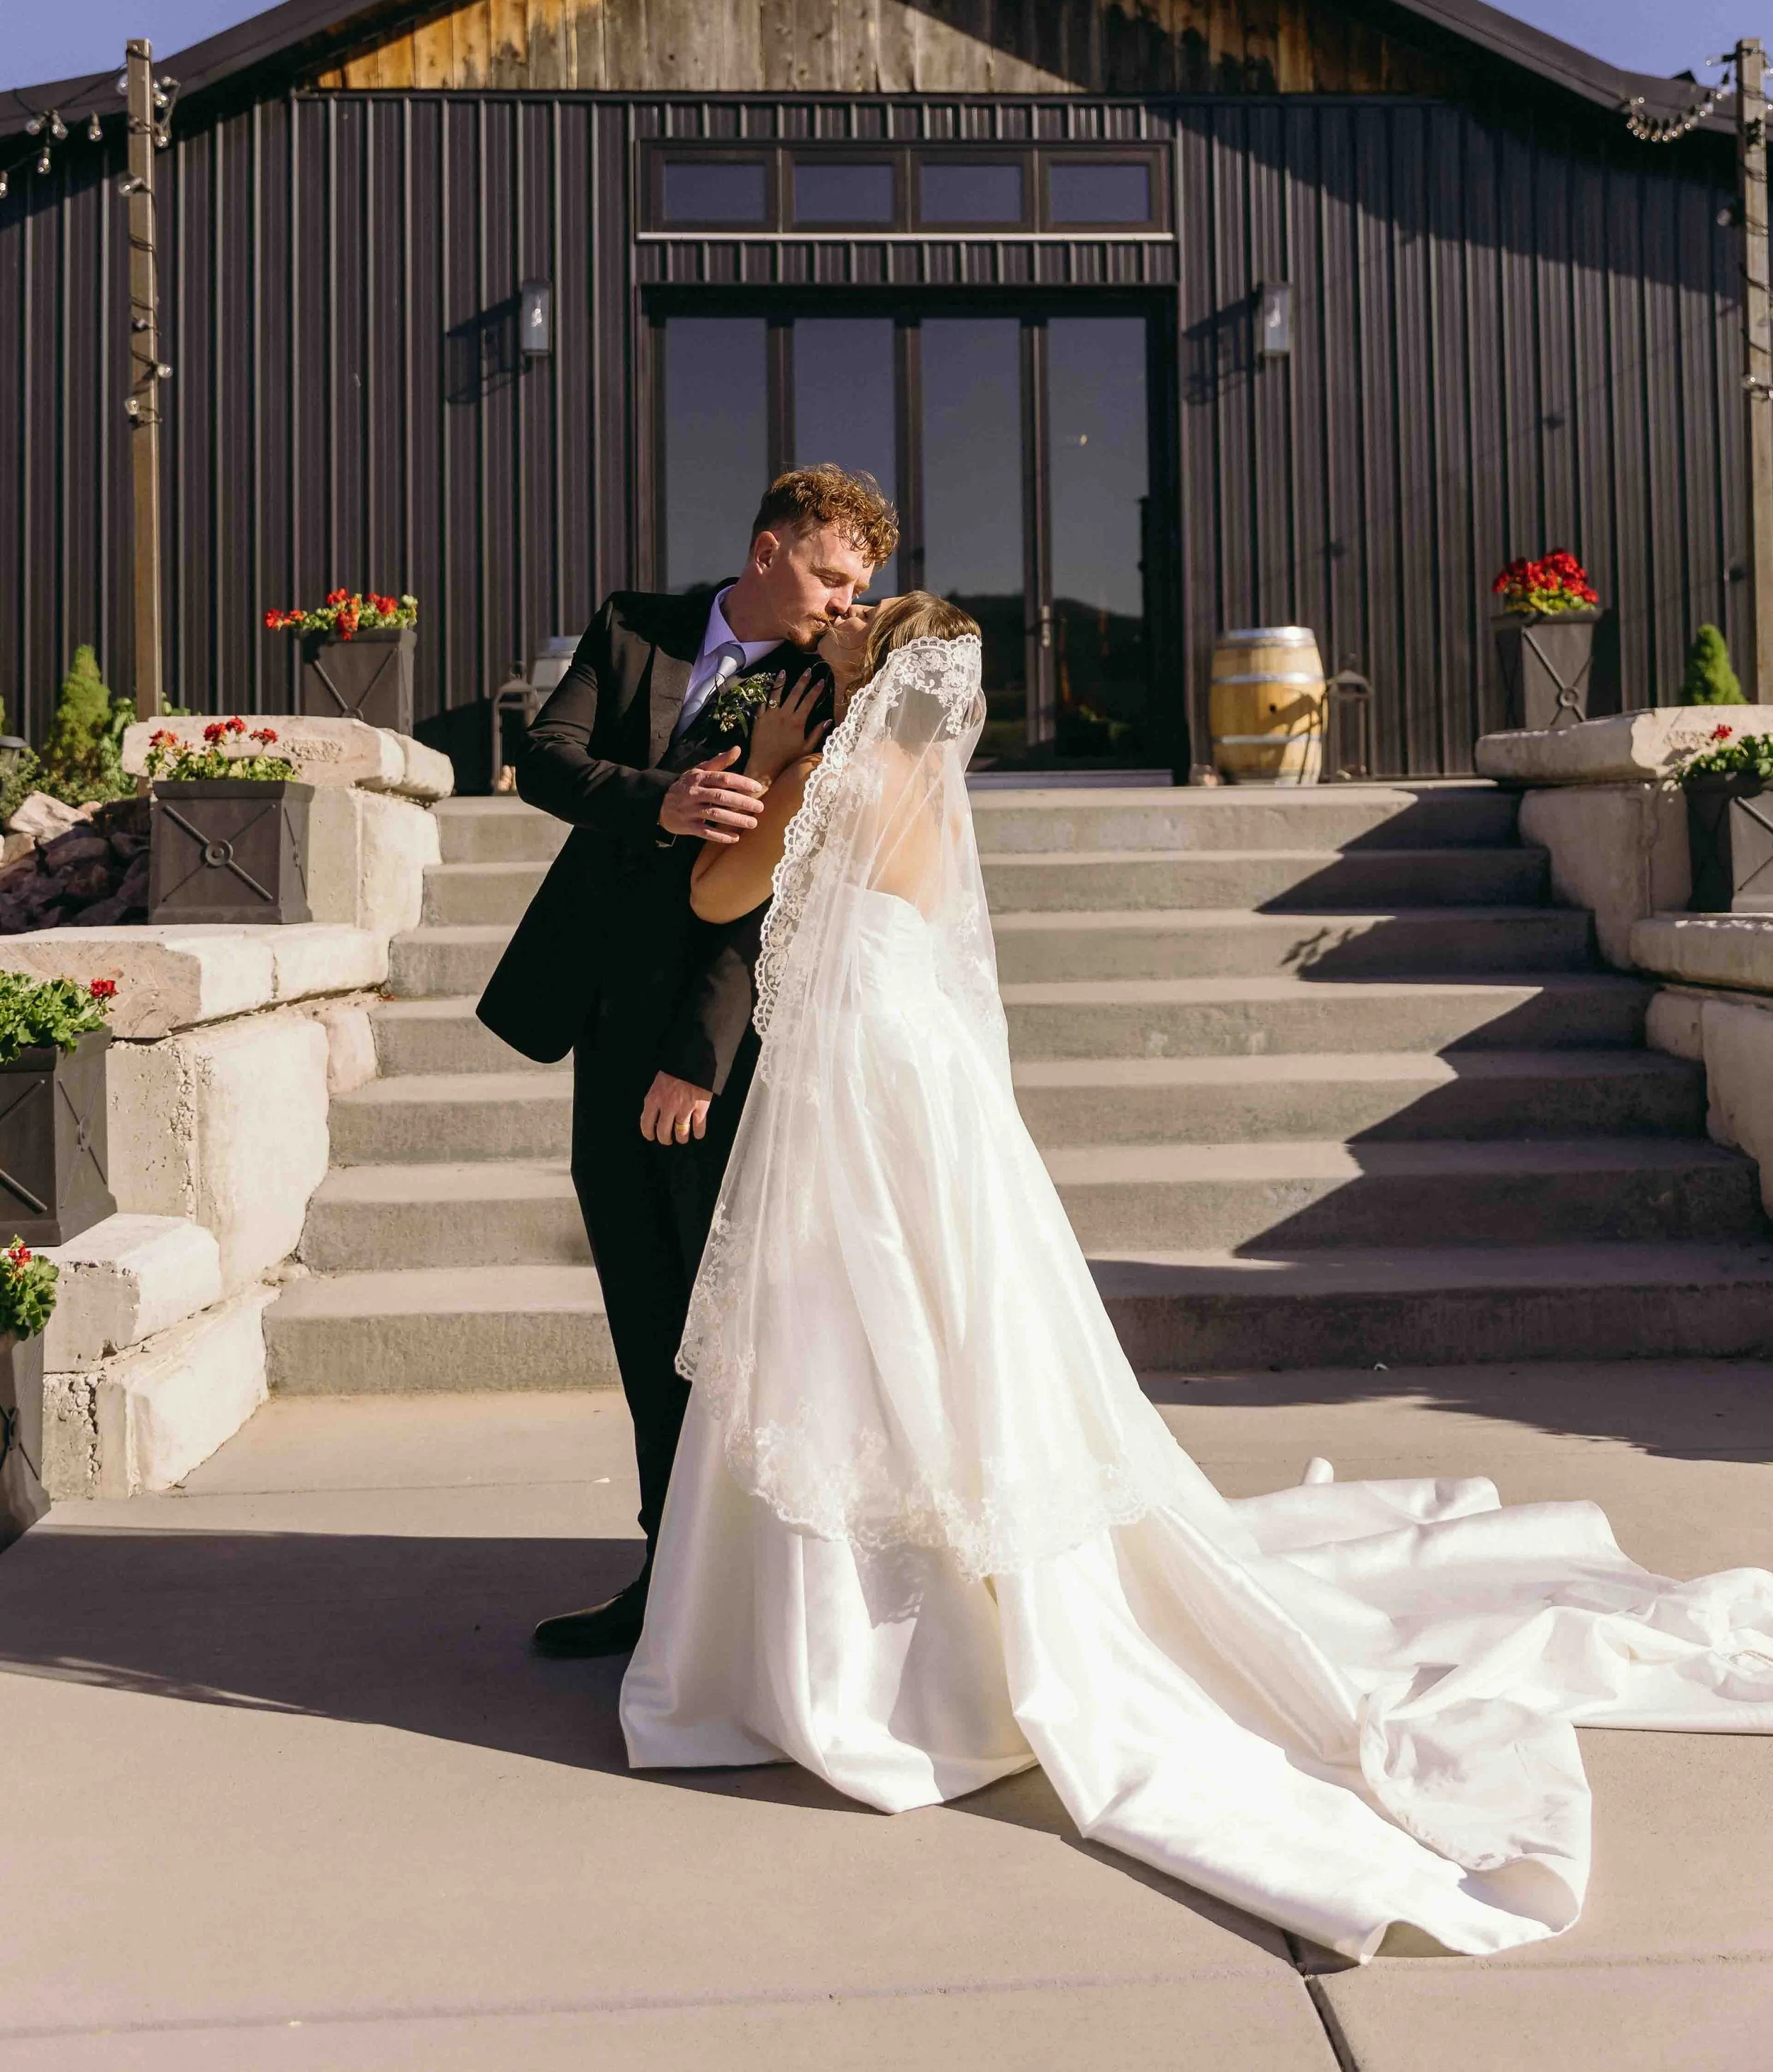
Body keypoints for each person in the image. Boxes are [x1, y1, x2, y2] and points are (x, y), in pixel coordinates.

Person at [621, 595, 1773, 1963]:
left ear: (882, 670)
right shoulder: (928, 781)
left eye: (865, 627)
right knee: (941, 1325)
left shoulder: (836, 770)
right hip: (921, 1073)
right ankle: (928, 1589)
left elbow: (714, 892)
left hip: (857, 1081)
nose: (844, 626)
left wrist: (773, 766)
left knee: (854, 1325)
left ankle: (872, 1649)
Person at [477, 465, 897, 1657]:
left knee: (716, 1321)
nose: (841, 601)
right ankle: (670, 1570)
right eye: (829, 574)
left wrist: (699, 1060)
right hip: (597, 1018)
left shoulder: (825, 689)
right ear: (767, 552)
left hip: (711, 1050)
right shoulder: (633, 628)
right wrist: (662, 799)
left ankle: (741, 1591)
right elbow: (548, 764)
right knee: (640, 1300)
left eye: (860, 585)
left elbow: (772, 902)